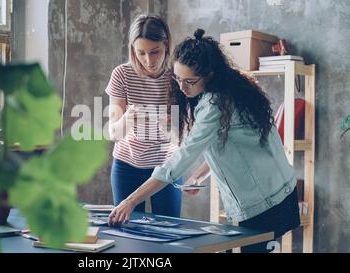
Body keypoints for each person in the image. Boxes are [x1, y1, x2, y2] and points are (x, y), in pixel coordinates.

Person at [108, 28, 301, 253]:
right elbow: (227, 142)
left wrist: (129, 202)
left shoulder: (215, 104)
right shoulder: (232, 85)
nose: (181, 87)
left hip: (267, 204)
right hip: (276, 193)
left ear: (209, 74)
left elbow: (180, 159)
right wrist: (198, 175)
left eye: (189, 81)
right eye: (178, 79)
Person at [105, 14, 182, 217]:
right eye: (141, 53)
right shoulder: (121, 74)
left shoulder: (177, 75)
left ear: (166, 45)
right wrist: (127, 119)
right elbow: (113, 133)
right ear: (132, 50)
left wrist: (173, 128)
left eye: (155, 52)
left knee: (169, 231)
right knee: (128, 232)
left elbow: (187, 135)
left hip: (167, 165)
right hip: (127, 165)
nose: (149, 60)